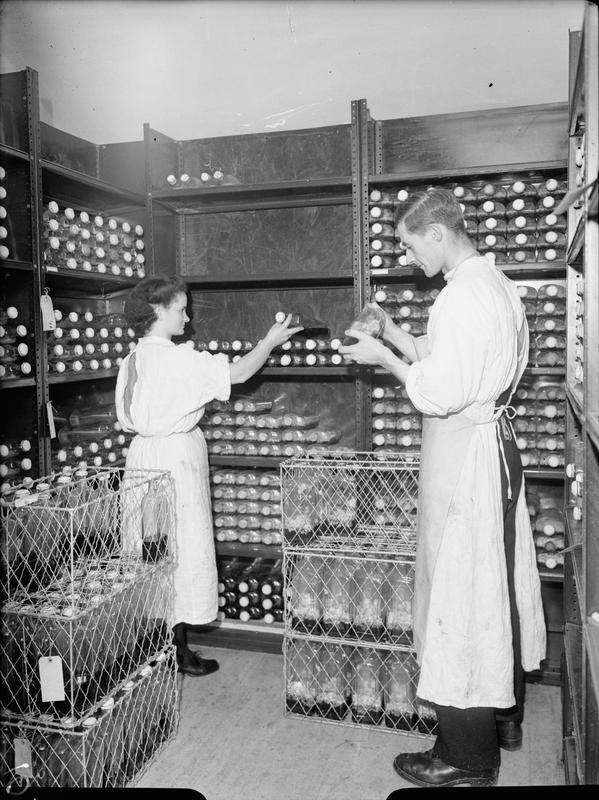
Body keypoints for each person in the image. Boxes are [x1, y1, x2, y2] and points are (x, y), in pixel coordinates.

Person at [338, 187, 546, 788]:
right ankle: (501, 716)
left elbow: (441, 390)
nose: (408, 258)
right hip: (496, 447)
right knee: (496, 582)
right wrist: (398, 335)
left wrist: (381, 357)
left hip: (465, 455)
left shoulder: (459, 296)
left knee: (459, 591)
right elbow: (456, 360)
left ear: (437, 233)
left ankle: (466, 755)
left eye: (409, 244)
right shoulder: (496, 285)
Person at [115, 277, 302, 676]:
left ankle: (156, 648)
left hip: (143, 457)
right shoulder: (179, 359)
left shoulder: (131, 359)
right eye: (181, 308)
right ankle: (178, 653)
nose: (187, 316)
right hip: (175, 459)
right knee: (179, 551)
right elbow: (239, 373)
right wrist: (269, 341)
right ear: (159, 311)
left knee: (152, 549)